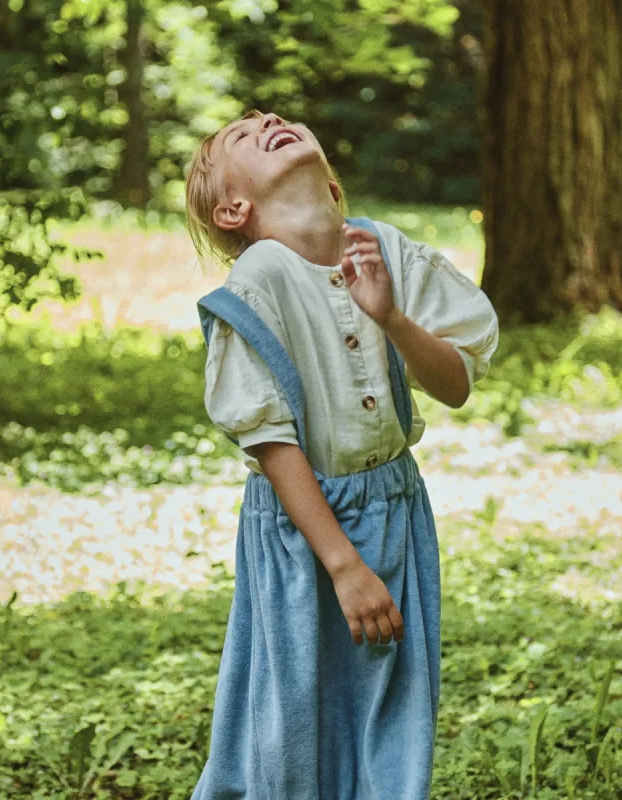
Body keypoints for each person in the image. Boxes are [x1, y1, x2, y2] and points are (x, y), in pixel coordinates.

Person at [185, 110, 499, 799]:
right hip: (305, 532)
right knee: (292, 716)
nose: (268, 119)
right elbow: (270, 440)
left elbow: (455, 385)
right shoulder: (258, 280)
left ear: (330, 183)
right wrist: (343, 564)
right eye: (244, 134)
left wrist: (391, 317)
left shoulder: (383, 247)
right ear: (233, 208)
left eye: (274, 117)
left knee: (392, 704)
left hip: (394, 510)